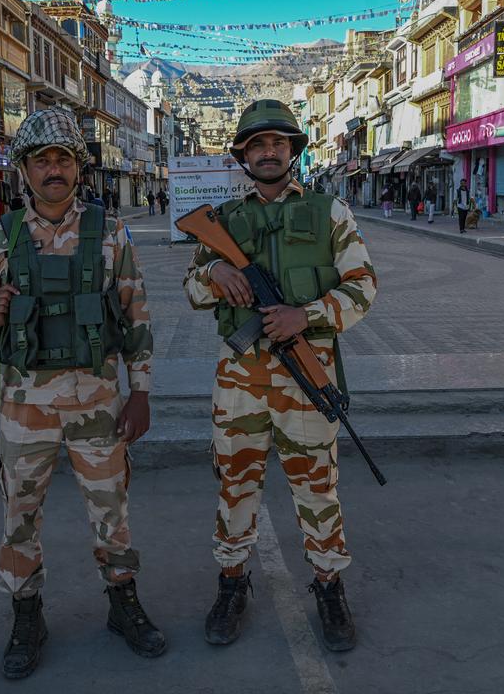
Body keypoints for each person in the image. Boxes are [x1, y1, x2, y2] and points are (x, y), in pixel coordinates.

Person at [0, 109, 165, 679]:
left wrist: (139, 392)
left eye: (64, 159)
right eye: (42, 159)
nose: (54, 169)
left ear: (79, 167)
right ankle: (27, 616)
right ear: (25, 168)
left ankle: (123, 604)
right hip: (24, 411)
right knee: (19, 515)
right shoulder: (1, 235)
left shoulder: (109, 230)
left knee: (111, 511)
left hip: (97, 402)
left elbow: (136, 314)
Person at [183, 99, 378, 653]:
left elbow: (364, 287)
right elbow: (191, 290)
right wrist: (216, 272)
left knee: (318, 488)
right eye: (257, 144)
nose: (268, 152)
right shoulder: (221, 222)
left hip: (305, 377)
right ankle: (231, 583)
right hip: (240, 379)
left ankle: (328, 585)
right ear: (242, 154)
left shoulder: (330, 212)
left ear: (293, 151)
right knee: (235, 484)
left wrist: (306, 315)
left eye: (279, 143)